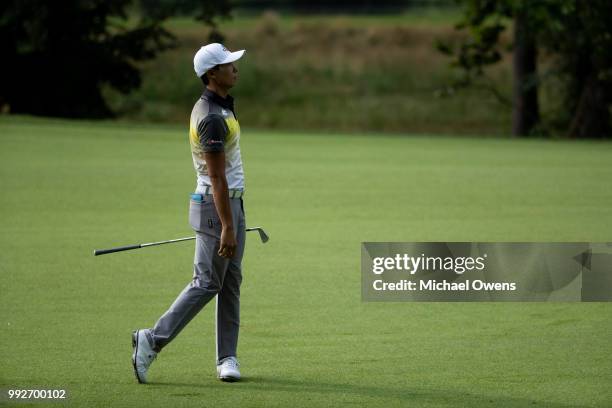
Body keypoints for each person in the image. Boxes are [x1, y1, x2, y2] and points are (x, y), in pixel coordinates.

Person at [132, 43, 247, 384]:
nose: (235, 68)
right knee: (208, 282)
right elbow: (216, 176)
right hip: (217, 206)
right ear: (212, 74)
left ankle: (227, 357)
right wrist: (227, 225)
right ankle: (152, 340)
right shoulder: (211, 116)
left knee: (230, 283)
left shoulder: (221, 106)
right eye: (228, 64)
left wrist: (235, 216)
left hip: (231, 204)